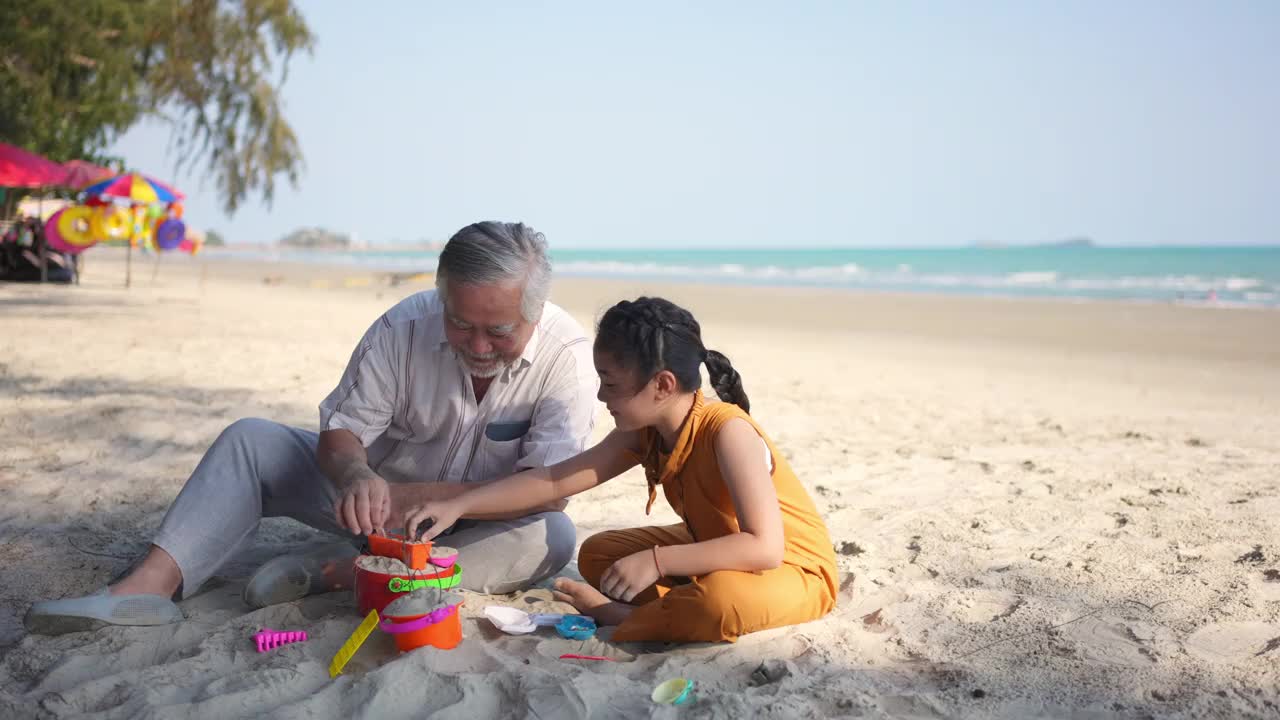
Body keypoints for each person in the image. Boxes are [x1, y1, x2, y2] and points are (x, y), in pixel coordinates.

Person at [26, 221, 597, 635]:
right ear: (442, 296)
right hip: (366, 508)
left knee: (553, 535)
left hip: (476, 529)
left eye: (497, 332)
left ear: (534, 312)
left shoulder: (566, 357)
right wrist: (355, 474)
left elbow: (552, 485)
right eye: (459, 323)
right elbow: (342, 435)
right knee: (251, 440)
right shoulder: (403, 327)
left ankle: (340, 573)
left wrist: (437, 501)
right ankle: (148, 586)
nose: (477, 346)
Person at [402, 297, 838, 643]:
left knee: (719, 603)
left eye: (610, 384)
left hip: (791, 569)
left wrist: (657, 560)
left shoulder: (728, 432)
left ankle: (628, 617)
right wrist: (459, 504)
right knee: (599, 555)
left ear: (662, 385)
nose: (601, 398)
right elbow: (554, 479)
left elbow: (764, 548)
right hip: (716, 545)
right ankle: (677, 604)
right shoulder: (644, 431)